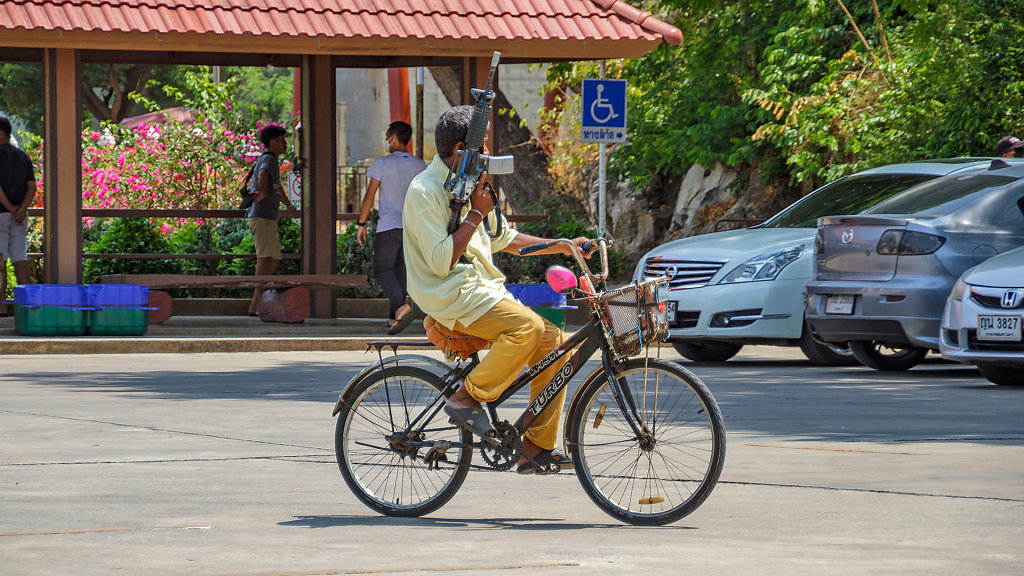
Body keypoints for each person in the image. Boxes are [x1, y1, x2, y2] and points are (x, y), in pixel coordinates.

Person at [403, 105, 595, 474]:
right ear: (461, 151)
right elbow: (442, 260)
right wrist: (475, 213)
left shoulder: (473, 184)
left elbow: (504, 238)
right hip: (448, 293)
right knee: (529, 327)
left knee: (554, 341)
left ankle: (536, 446)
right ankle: (466, 398)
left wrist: (564, 244)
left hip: (479, 288)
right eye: (484, 145)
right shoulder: (424, 190)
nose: (489, 153)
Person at [356, 121, 427, 334]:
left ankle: (400, 306)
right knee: (400, 270)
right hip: (412, 226)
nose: (386, 141)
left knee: (382, 269)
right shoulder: (420, 165)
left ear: (394, 138)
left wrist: (361, 223)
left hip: (389, 226)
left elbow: (370, 195)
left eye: (387, 136)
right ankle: (393, 317)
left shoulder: (382, 164)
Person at [246, 124, 295, 316]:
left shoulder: (270, 160)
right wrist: (264, 193)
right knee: (266, 259)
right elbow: (263, 175)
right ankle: (256, 303)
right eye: (282, 140)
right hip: (262, 217)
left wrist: (288, 205)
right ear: (272, 142)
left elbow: (277, 187)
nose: (285, 144)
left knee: (273, 259)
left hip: (266, 217)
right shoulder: (269, 160)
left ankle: (258, 299)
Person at [0, 117, 37, 313]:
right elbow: (32, 187)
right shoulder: (23, 157)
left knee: (0, 261)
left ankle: (1, 307)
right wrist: (21, 209)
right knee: (20, 259)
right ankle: (26, 307)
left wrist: (10, 208)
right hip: (19, 219)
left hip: (1, 214)